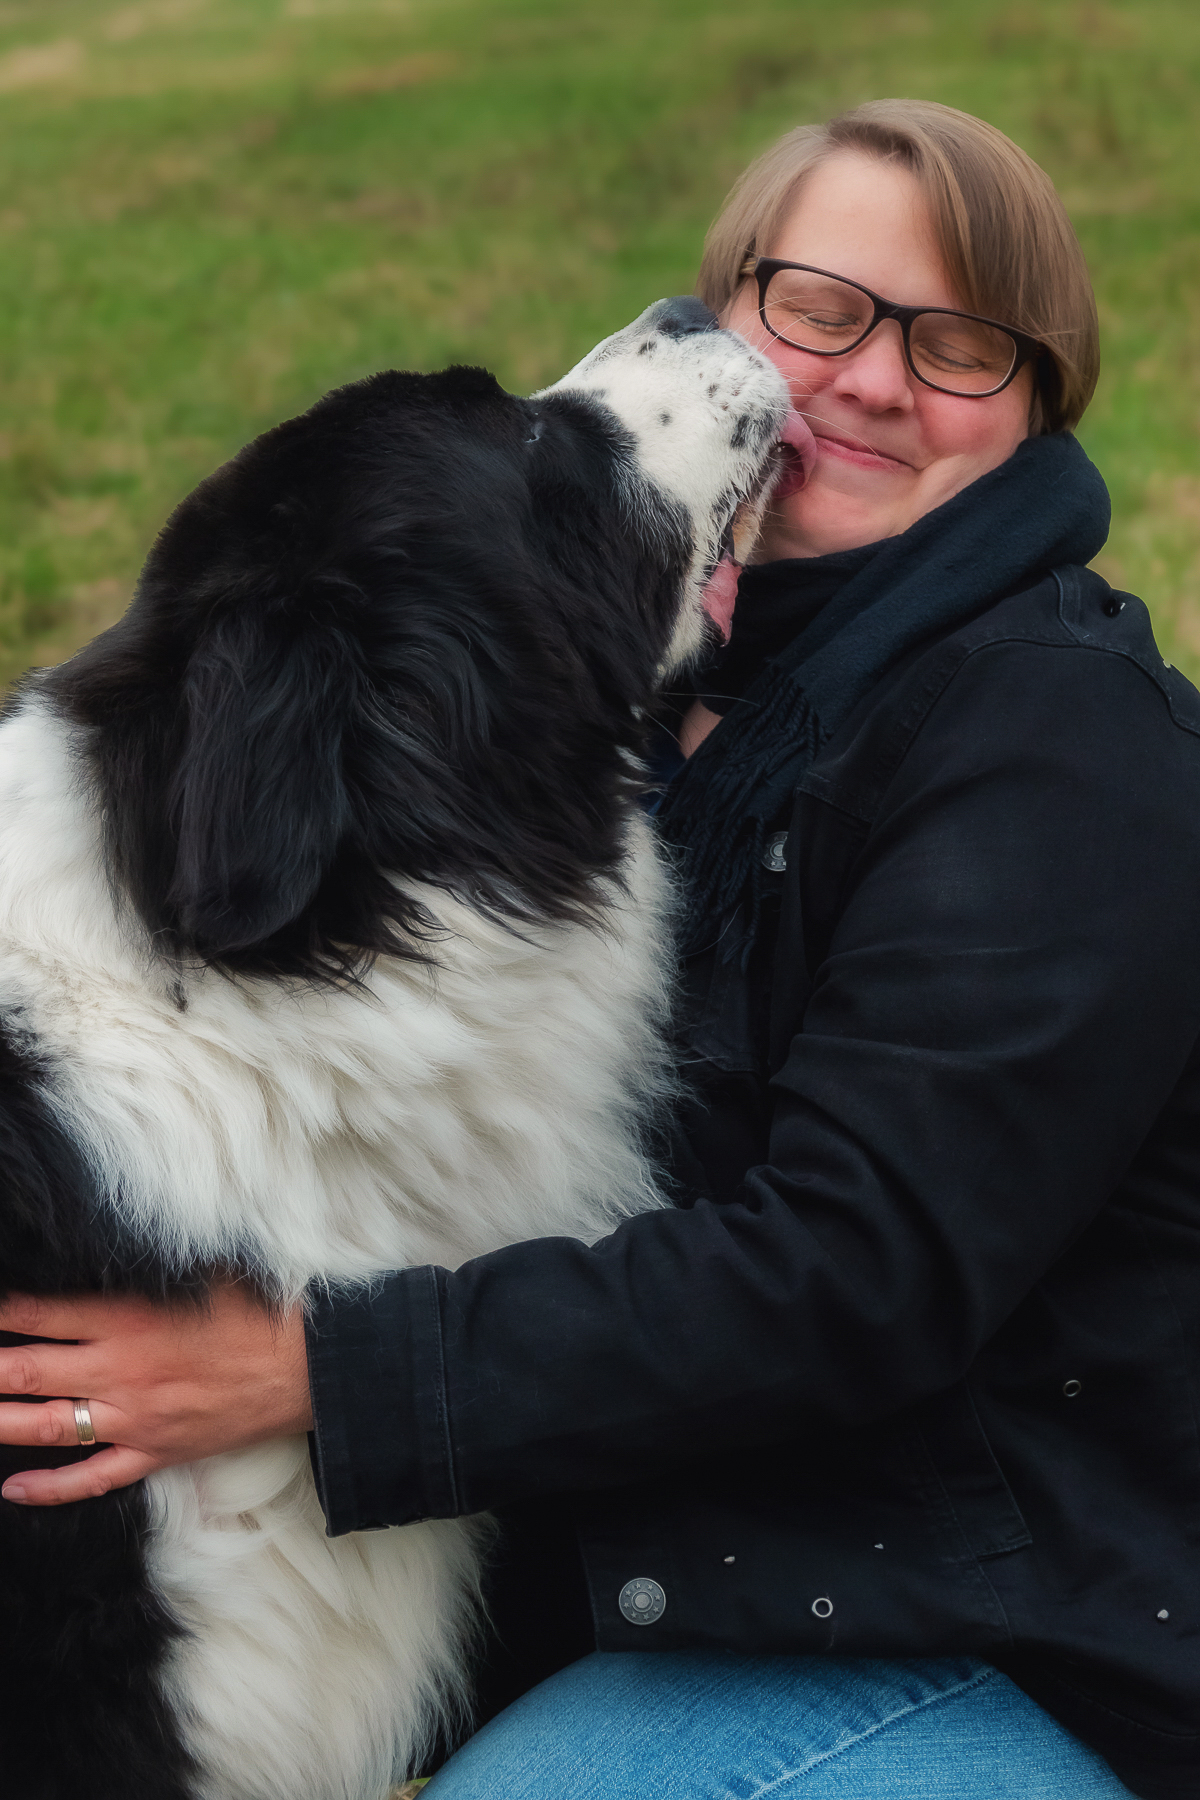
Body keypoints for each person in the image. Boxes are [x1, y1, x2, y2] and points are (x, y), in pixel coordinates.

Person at [1, 98, 1198, 1799]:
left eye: (958, 345)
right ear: (734, 309)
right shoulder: (648, 690)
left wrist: (308, 1376)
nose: (865, 379)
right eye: (820, 307)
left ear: (1037, 399)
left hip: (1008, 1643)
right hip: (747, 1582)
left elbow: (858, 1276)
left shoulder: (1067, 748)